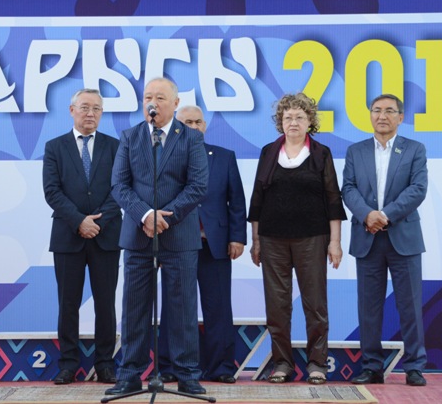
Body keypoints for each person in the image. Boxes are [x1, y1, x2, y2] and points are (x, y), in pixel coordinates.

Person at [107, 78, 209, 396]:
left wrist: (165, 217)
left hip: (179, 235)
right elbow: (119, 185)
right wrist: (145, 215)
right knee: (135, 308)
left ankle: (187, 374)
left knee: (182, 309)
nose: (153, 103)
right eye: (148, 97)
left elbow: (197, 185)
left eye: (160, 98)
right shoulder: (130, 137)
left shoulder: (191, 138)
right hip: (138, 236)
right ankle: (130, 374)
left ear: (175, 103)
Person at [248, 93, 345, 385]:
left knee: (315, 304)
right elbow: (257, 198)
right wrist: (256, 240)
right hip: (272, 239)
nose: (293, 122)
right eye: (287, 117)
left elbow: (333, 199)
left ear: (309, 121)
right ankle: (282, 364)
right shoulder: (268, 152)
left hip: (312, 238)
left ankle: (317, 364)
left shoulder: (321, 153)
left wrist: (335, 242)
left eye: (299, 117)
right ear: (280, 121)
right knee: (277, 305)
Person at [342, 94, 429, 387]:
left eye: (389, 111)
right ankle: (371, 367)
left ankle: (414, 367)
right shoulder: (356, 151)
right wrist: (367, 215)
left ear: (400, 117)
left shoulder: (414, 149)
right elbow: (348, 188)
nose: (382, 116)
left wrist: (385, 215)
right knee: (369, 308)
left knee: (410, 306)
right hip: (367, 237)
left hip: (404, 238)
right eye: (377, 110)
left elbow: (417, 189)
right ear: (370, 115)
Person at [159, 105, 247, 384]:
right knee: (174, 308)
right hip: (176, 245)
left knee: (218, 307)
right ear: (177, 126)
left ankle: (221, 367)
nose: (194, 126)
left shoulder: (223, 156)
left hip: (214, 245)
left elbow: (236, 201)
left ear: (205, 126)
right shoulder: (162, 157)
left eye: (198, 122)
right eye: (187, 122)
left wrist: (237, 237)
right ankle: (171, 366)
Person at [43, 89, 121, 385]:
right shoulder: (55, 147)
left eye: (97, 109)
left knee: (106, 303)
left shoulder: (115, 146)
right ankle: (68, 364)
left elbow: (121, 188)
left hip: (106, 234)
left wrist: (98, 221)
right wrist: (79, 221)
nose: (91, 113)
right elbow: (52, 191)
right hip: (68, 236)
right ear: (71, 109)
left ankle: (105, 364)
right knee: (68, 303)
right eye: (85, 107)